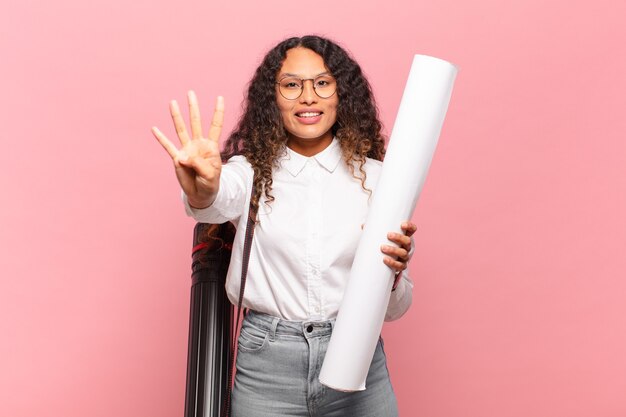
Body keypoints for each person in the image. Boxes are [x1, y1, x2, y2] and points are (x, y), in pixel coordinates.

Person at [152, 35, 416, 417]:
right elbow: (214, 201)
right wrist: (202, 190)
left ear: (342, 94)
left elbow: (396, 309)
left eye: (322, 83)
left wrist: (393, 277)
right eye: (292, 85)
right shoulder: (248, 172)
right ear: (273, 99)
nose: (308, 97)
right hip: (268, 365)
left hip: (358, 360)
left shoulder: (380, 180)